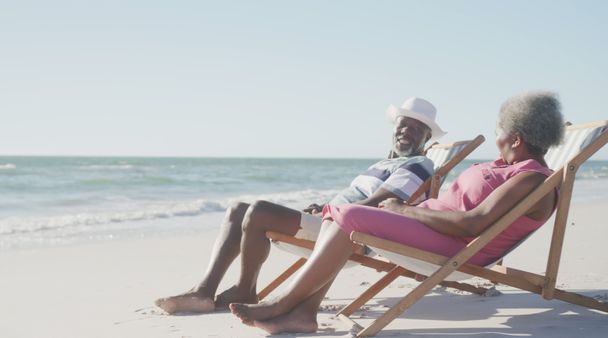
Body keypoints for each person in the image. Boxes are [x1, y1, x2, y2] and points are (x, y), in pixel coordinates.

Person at [229, 91, 565, 334]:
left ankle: (284, 304)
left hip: (453, 245)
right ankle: (303, 312)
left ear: (517, 139)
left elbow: (471, 222)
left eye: (499, 132)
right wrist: (410, 211)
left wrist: (405, 210)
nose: (497, 140)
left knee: (349, 216)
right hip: (433, 228)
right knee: (343, 215)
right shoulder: (512, 167)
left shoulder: (530, 178)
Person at [155, 97, 446, 314]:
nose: (405, 131)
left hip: (350, 234)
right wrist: (325, 206)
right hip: (334, 220)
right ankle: (203, 291)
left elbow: (382, 200)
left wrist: (329, 212)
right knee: (238, 210)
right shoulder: (383, 163)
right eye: (402, 125)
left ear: (427, 137)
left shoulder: (419, 164)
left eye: (415, 128)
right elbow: (358, 196)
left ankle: (245, 289)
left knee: (258, 212)